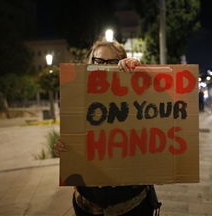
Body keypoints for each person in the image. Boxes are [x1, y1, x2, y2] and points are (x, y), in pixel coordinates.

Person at [53, 36, 159, 215]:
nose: (104, 65)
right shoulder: (79, 96)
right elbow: (75, 138)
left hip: (132, 203)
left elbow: (157, 107)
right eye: (99, 61)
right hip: (87, 202)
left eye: (112, 61)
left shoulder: (136, 92)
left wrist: (140, 71)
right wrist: (62, 147)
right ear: (90, 62)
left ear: (122, 62)